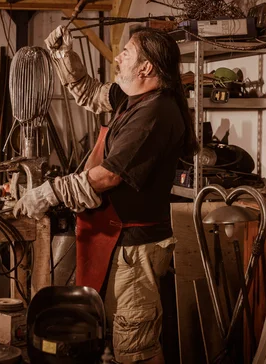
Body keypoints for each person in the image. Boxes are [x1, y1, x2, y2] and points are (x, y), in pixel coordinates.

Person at [13, 25, 198, 364]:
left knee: (135, 345)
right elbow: (89, 92)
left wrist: (50, 192)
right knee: (112, 337)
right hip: (118, 238)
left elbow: (109, 175)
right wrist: (63, 55)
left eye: (125, 53)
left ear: (146, 68)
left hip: (135, 245)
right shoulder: (132, 98)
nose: (117, 57)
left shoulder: (155, 113)